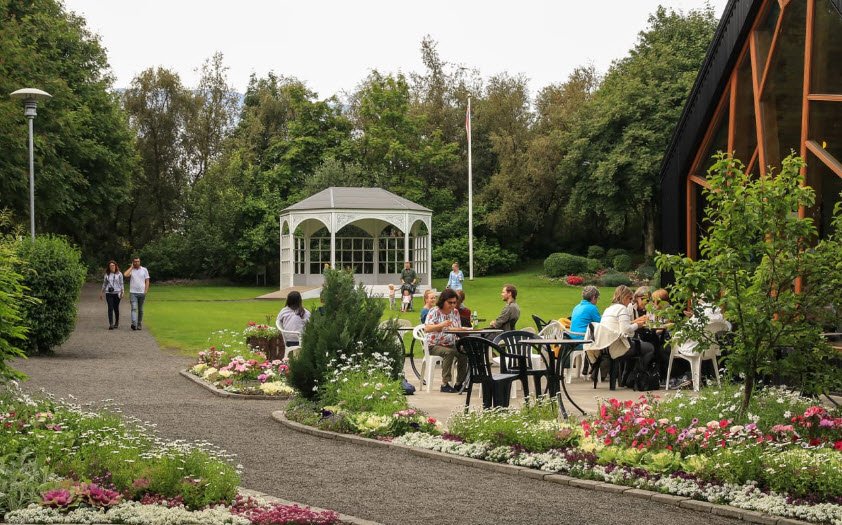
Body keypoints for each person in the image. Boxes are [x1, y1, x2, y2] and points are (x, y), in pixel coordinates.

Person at [585, 285, 655, 384]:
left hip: (606, 346)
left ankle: (627, 377)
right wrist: (637, 325)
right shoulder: (622, 309)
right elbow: (626, 330)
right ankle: (637, 379)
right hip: (618, 346)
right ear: (625, 297)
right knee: (649, 348)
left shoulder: (609, 309)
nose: (631, 301)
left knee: (636, 345)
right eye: (630, 298)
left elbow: (619, 326)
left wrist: (634, 323)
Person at [424, 288, 468, 393]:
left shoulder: (455, 312)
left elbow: (456, 328)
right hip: (433, 345)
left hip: (450, 343)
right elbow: (427, 328)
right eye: (450, 303)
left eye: (454, 302)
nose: (452, 305)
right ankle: (445, 383)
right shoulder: (434, 311)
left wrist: (462, 330)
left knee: (463, 352)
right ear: (443, 300)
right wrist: (441, 325)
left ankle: (459, 383)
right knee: (449, 352)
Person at [123, 257, 150, 331]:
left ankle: (139, 323)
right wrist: (131, 267)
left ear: (140, 262)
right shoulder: (132, 270)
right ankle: (134, 324)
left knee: (140, 310)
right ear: (133, 262)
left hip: (142, 293)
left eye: (138, 261)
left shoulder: (144, 269)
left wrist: (146, 291)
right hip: (133, 293)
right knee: (134, 308)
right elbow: (125, 275)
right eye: (135, 262)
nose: (137, 263)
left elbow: (147, 280)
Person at [99, 260, 124, 330]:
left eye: (113, 265)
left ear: (115, 266)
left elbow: (121, 283)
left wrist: (122, 292)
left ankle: (116, 321)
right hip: (109, 293)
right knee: (110, 308)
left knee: (116, 308)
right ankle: (111, 324)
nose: (112, 267)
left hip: (117, 293)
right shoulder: (107, 274)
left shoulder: (119, 274)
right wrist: (101, 292)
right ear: (108, 267)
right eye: (110, 266)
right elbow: (104, 284)